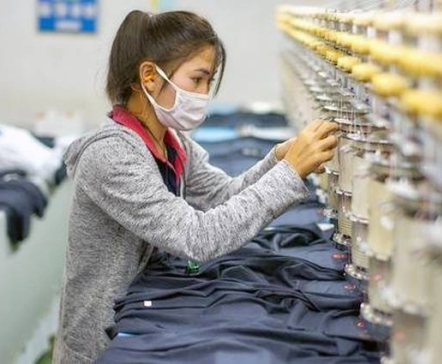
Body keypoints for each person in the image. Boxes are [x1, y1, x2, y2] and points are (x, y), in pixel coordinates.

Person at [53, 10, 338, 363]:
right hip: (103, 342)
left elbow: (223, 197)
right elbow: (198, 237)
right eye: (197, 79)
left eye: (209, 81)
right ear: (149, 77)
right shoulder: (112, 155)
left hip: (145, 317)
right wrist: (290, 173)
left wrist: (278, 161)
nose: (204, 94)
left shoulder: (172, 142)